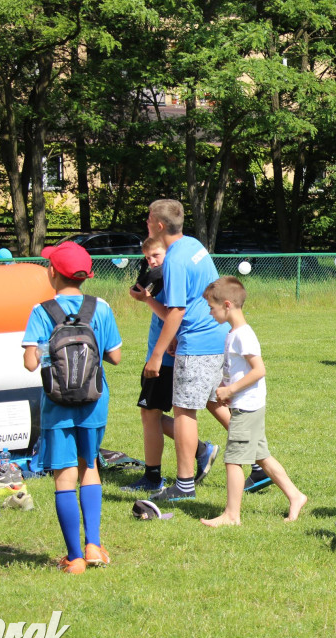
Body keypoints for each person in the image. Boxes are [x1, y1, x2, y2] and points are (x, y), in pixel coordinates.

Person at [22, 241, 122, 574]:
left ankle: (74, 557)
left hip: (56, 404)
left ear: (52, 272)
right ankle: (94, 545)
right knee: (89, 465)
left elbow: (28, 363)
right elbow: (116, 356)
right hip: (94, 400)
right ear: (85, 276)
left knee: (64, 477)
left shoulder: (41, 311)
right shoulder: (101, 308)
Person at [139, 199, 228, 502]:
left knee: (184, 411)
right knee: (217, 402)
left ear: (159, 225)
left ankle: (184, 485)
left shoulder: (175, 259)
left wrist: (156, 355)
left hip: (197, 341)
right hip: (218, 334)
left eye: (149, 220)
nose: (147, 224)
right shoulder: (194, 245)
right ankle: (258, 463)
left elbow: (176, 310)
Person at [200, 277, 308, 526]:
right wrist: (228, 389)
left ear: (227, 305)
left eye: (211, 307)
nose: (209, 311)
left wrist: (231, 390)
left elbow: (259, 370)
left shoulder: (243, 336)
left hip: (248, 406)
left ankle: (231, 515)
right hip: (245, 403)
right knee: (262, 456)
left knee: (233, 459)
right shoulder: (234, 333)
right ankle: (295, 495)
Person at [124, 235, 219, 494]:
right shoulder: (165, 274)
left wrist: (146, 300)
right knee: (158, 412)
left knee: (153, 413)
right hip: (171, 351)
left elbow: (173, 314)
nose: (151, 261)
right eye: (147, 258)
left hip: (167, 356)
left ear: (171, 252)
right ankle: (214, 452)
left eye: (156, 255)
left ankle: (155, 476)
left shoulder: (173, 272)